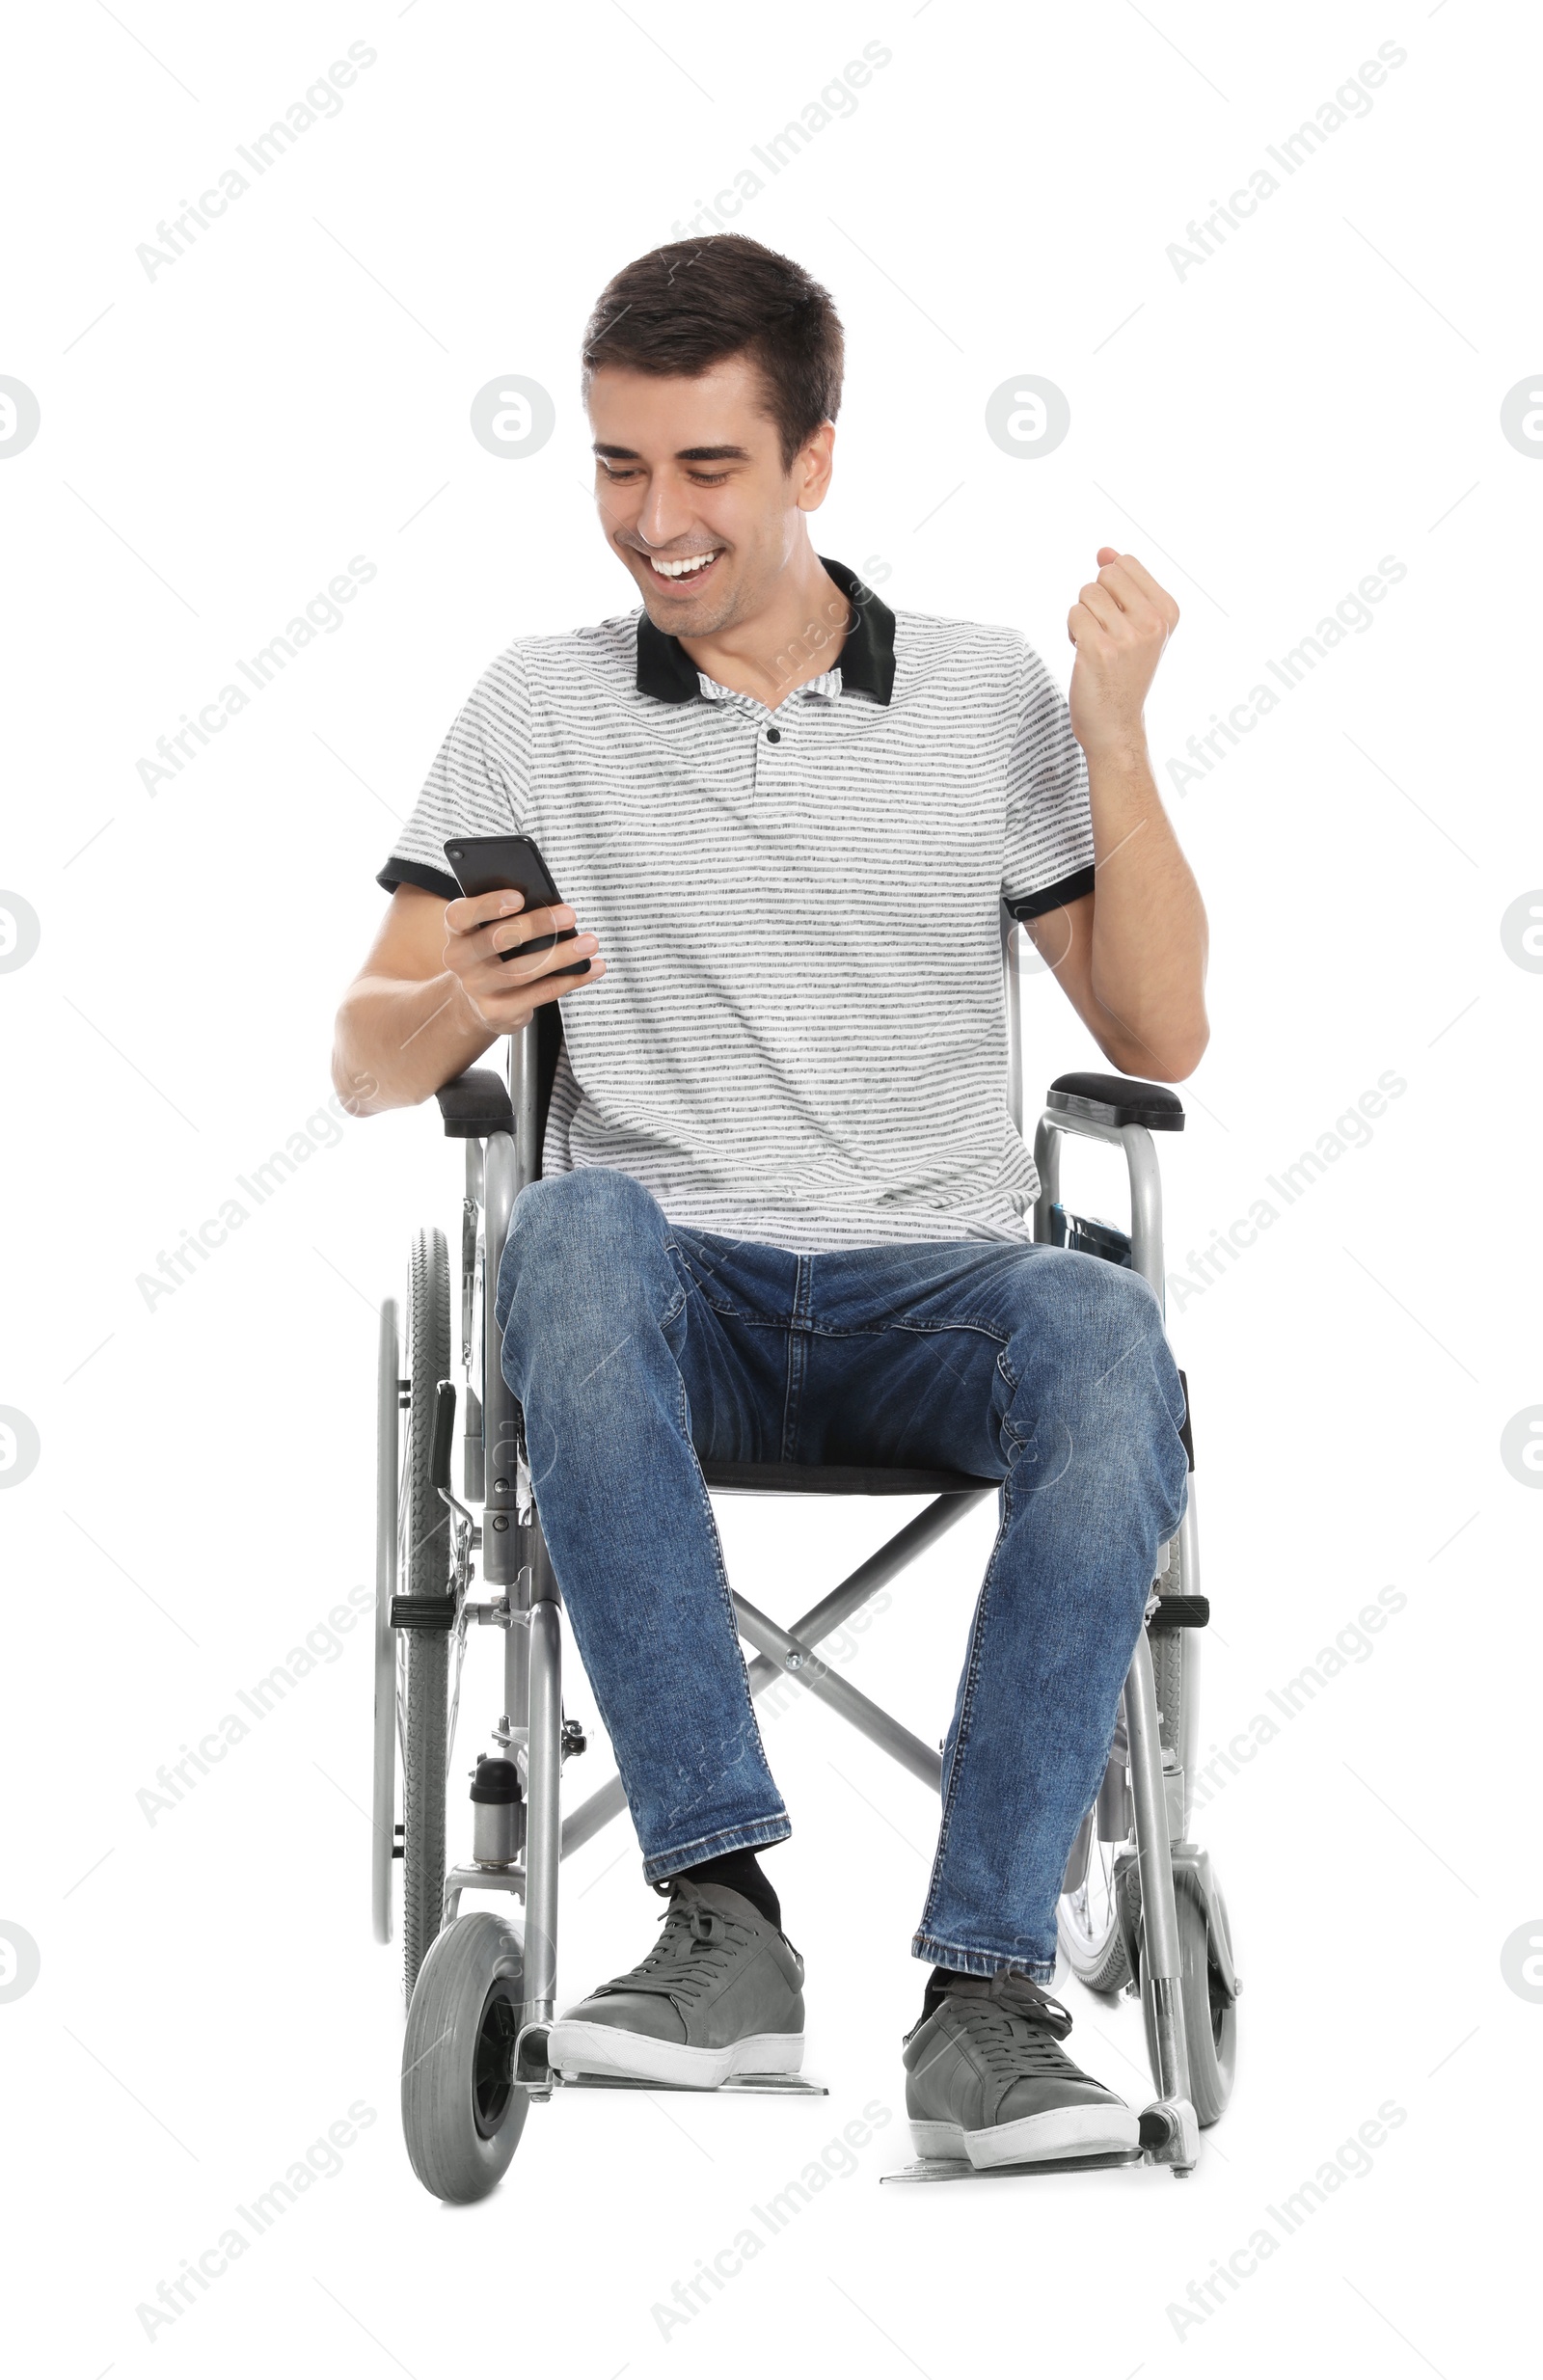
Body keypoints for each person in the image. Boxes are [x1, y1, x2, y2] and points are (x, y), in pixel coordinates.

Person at [332, 233, 1207, 2170]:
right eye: (615, 466)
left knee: (1101, 1323)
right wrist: (462, 999)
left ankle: (987, 2001)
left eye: (703, 468)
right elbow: (361, 1055)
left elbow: (1156, 1024)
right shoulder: (536, 708)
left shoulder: (980, 696)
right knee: (567, 1223)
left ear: (811, 459)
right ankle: (717, 1922)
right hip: (669, 1305)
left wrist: (1116, 737)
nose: (652, 520)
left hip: (932, 1291)